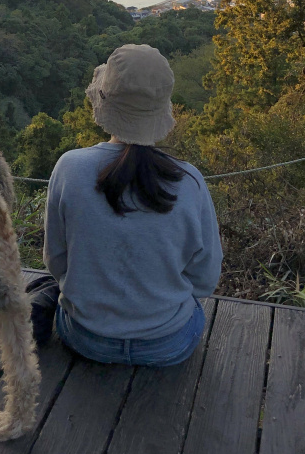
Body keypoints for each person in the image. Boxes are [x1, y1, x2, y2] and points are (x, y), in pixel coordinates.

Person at [43, 43, 222, 367]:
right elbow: (205, 280)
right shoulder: (189, 181)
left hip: (85, 337)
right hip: (168, 345)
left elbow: (56, 261)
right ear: (160, 110)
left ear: (104, 102)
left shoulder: (69, 168)